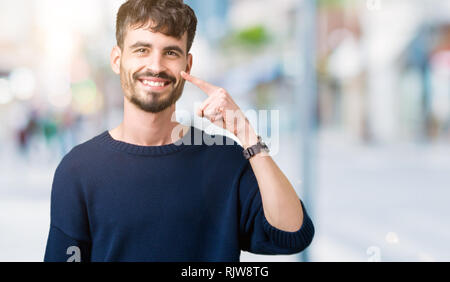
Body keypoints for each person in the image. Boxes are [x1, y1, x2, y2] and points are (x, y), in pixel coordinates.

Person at [44, 0, 314, 262]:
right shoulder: (78, 169)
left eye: (171, 52)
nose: (156, 66)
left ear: (187, 65)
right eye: (141, 50)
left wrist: (247, 134)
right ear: (117, 59)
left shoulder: (227, 160)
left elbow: (291, 234)